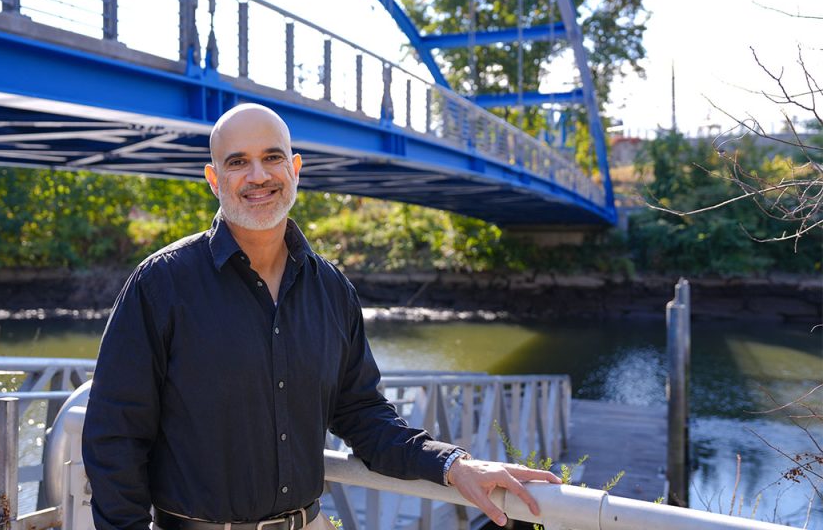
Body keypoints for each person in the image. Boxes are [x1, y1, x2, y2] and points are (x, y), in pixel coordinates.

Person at [82, 103, 560, 530]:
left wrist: (453, 464)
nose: (258, 176)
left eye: (272, 157)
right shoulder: (162, 284)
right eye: (237, 162)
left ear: (295, 169)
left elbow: (364, 416)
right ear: (214, 179)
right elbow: (114, 437)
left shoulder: (331, 291)